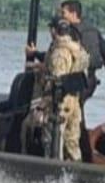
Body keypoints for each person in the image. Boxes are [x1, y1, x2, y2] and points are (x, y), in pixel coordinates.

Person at [58, 0, 105, 162]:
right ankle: (81, 154)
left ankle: (82, 156)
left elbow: (66, 55)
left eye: (63, 13)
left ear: (73, 14)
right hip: (90, 81)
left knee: (75, 115)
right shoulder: (93, 30)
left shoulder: (73, 32)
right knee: (77, 114)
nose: (61, 16)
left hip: (79, 81)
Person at [24, 18, 90, 161]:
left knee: (53, 140)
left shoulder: (59, 52)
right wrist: (42, 66)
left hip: (59, 103)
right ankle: (75, 173)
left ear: (54, 30)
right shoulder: (77, 49)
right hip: (74, 100)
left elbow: (57, 81)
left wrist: (42, 106)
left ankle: (54, 174)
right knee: (72, 142)